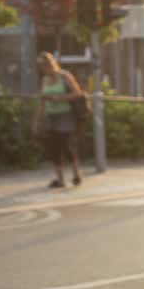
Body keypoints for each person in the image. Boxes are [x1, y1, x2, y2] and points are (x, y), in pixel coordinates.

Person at [31, 52, 85, 189]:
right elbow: (42, 102)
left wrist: (59, 98)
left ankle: (76, 174)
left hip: (65, 114)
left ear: (52, 63)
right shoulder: (44, 80)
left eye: (46, 65)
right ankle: (60, 179)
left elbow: (78, 93)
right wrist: (37, 121)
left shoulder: (64, 76)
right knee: (53, 148)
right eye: (41, 66)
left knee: (66, 145)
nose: (44, 68)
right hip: (51, 116)